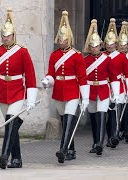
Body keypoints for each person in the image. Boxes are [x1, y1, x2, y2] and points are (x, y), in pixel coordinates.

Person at [0, 8, 38, 169]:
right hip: (2, 92)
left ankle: (5, 155)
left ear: (13, 35)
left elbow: (30, 76)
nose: (5, 38)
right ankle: (17, 159)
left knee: (11, 120)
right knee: (12, 124)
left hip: (17, 91)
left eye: (8, 36)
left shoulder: (22, 52)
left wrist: (31, 98)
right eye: (3, 36)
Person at [41, 10, 89, 163]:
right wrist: (47, 81)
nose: (62, 41)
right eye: (60, 38)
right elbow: (51, 73)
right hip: (59, 91)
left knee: (69, 117)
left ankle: (62, 149)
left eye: (64, 38)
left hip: (73, 90)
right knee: (64, 121)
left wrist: (85, 97)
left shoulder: (76, 55)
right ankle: (71, 150)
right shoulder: (54, 55)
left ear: (69, 39)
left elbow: (82, 77)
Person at [103, 18, 128, 148]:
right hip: (104, 87)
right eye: (107, 43)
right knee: (105, 115)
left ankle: (113, 137)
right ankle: (108, 136)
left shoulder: (121, 57)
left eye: (111, 43)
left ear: (115, 44)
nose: (109, 45)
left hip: (119, 87)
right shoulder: (102, 56)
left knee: (115, 113)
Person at [83, 19, 111, 155]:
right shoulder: (85, 60)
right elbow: (82, 78)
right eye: (92, 46)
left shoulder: (106, 58)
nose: (94, 48)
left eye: (96, 46)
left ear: (101, 45)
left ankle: (100, 143)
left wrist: (116, 93)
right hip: (90, 91)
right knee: (93, 117)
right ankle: (95, 141)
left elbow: (113, 76)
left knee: (102, 115)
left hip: (103, 90)